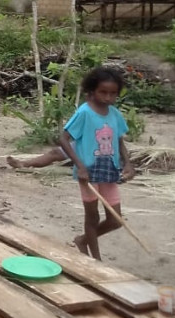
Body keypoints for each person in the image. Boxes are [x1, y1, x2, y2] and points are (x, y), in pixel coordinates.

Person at [58, 67, 135, 261]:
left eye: (113, 93)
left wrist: (128, 163)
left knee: (115, 220)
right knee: (92, 217)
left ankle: (83, 240)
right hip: (89, 173)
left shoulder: (115, 114)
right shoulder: (84, 112)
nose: (108, 97)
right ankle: (96, 260)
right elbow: (64, 139)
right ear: (91, 90)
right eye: (103, 92)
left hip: (110, 172)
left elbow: (118, 140)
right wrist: (80, 166)